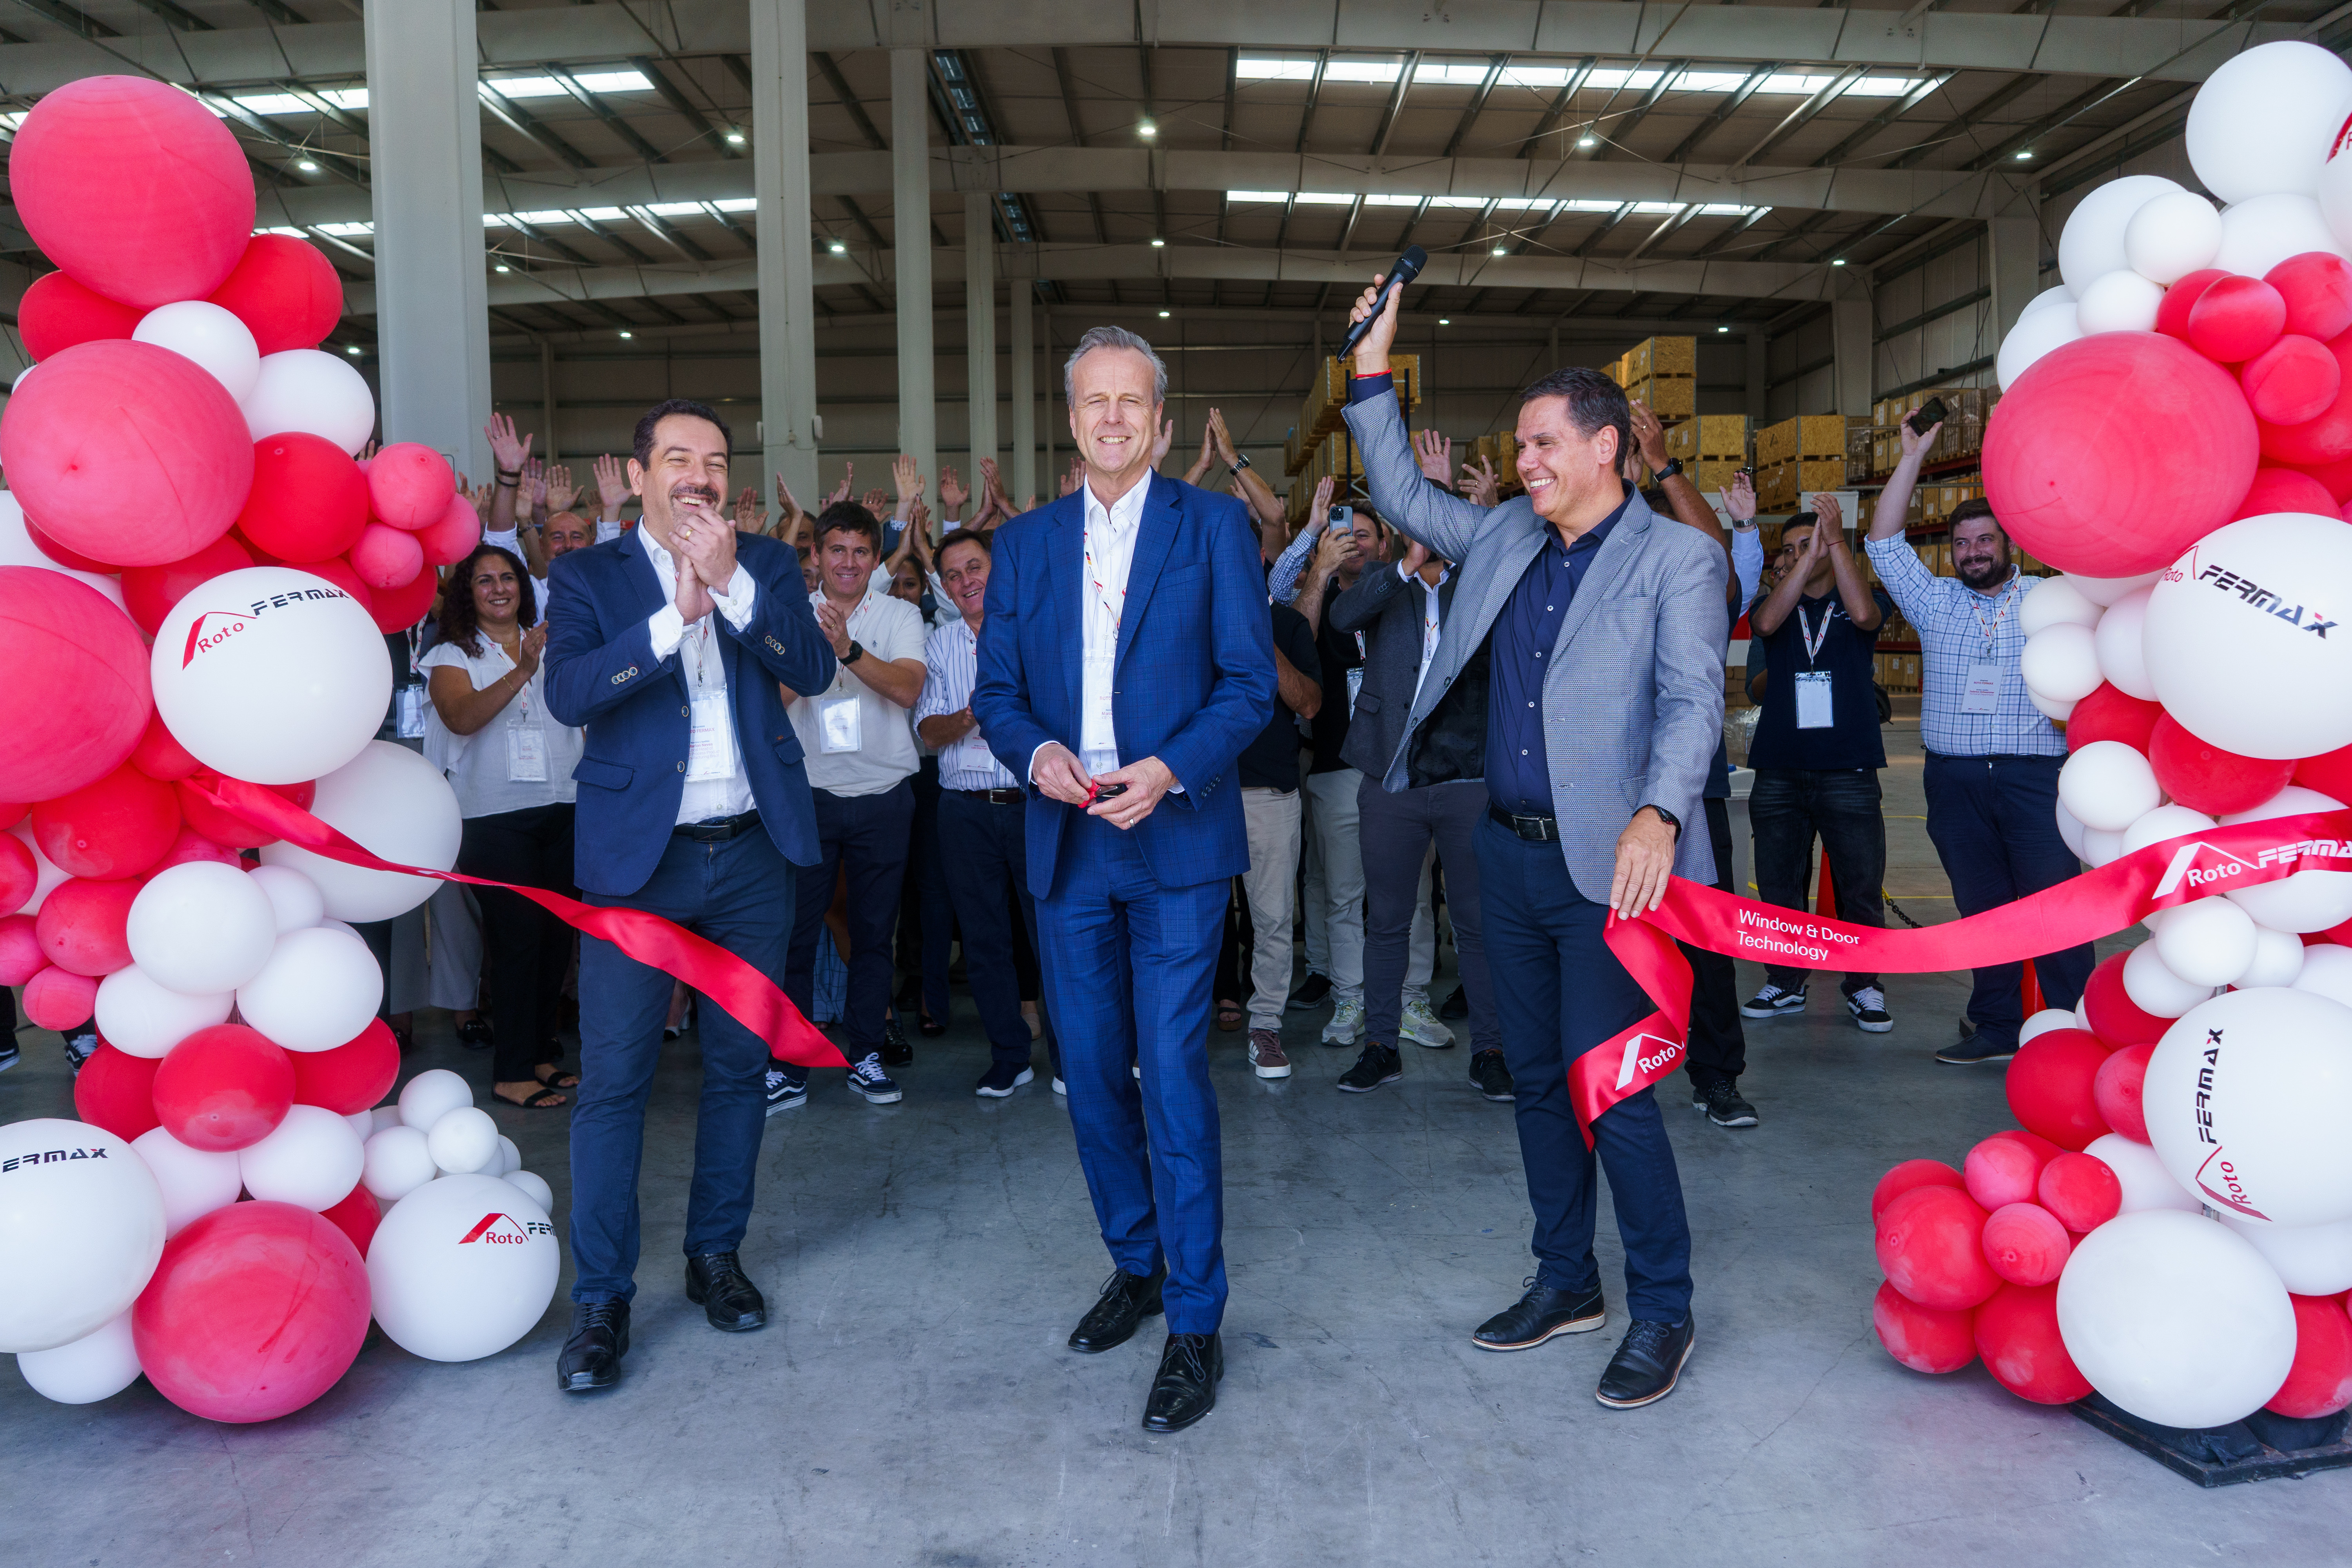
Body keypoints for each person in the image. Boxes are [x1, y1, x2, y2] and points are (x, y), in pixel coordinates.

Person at [1345, 275, 1724, 1410]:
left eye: (1544, 442)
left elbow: (1693, 700)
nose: (1524, 462)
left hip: (1615, 869)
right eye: (1520, 445)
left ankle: (1664, 1307)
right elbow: (1400, 490)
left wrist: (1661, 810)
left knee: (1614, 1091)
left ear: (1606, 446)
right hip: (1506, 857)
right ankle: (1567, 1281)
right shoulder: (1508, 533)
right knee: (1538, 1085)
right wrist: (1370, 363)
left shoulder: (1677, 560)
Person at [971, 325, 1275, 1435]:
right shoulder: (1027, 545)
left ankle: (1195, 1316)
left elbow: (1247, 685)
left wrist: (1169, 768)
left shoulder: (1213, 525)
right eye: (1094, 400)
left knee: (1175, 1074)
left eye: (1130, 401)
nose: (1111, 417)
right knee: (1092, 1072)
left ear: (1158, 419)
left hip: (1174, 837)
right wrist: (1035, 753)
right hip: (1070, 836)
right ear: (1072, 419)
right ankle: (1137, 1263)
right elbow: (998, 692)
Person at [541, 396, 837, 1394]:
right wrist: (677, 617)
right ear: (638, 477)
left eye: (712, 460)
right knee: (614, 1081)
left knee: (739, 1068)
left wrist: (733, 586)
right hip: (639, 862)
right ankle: (602, 1298)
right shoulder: (588, 575)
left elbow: (815, 668)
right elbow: (570, 694)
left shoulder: (770, 565)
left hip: (752, 853)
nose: (698, 476)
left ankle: (716, 1253)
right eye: (676, 457)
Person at [1867, 412, 2092, 1064]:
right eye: (1962, 544)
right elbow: (1883, 544)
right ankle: (1996, 1026)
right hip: (1955, 780)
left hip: (2036, 778)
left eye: (1984, 540)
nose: (1973, 553)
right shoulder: (1935, 603)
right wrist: (1912, 458)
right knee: (1983, 909)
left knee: (2054, 908)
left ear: (2008, 543)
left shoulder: (2051, 601)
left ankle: (2075, 1029)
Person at [1324, 511, 1510, 1100]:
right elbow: (1341, 618)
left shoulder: (1480, 582)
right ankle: (1381, 1046)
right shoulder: (1384, 581)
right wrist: (1405, 566)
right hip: (1390, 773)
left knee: (1477, 923)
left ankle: (1491, 1052)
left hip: (1467, 773)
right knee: (1386, 921)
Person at [773, 501, 929, 1108]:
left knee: (873, 935)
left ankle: (864, 1053)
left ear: (875, 558)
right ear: (816, 555)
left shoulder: (899, 614)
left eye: (861, 551)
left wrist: (847, 649)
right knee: (795, 935)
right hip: (808, 798)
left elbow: (908, 689)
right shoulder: (791, 615)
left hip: (884, 798)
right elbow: (771, 700)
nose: (848, 562)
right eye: (836, 549)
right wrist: (814, 651)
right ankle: (789, 1063)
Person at [422, 544, 585, 1109]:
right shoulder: (451, 654)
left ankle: (539, 1053)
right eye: (485, 580)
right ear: (467, 594)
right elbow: (461, 717)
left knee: (554, 941)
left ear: (523, 586)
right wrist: (522, 672)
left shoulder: (551, 643)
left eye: (508, 578)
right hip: (494, 817)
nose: (499, 589)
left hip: (565, 805)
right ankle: (511, 1072)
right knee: (517, 941)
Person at [1735, 496, 1896, 1035]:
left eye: (1808, 545)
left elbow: (1865, 615)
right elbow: (1764, 623)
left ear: (1833, 546)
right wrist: (1805, 561)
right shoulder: (1779, 604)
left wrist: (1835, 543)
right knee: (1780, 885)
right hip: (1780, 768)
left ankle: (1864, 983)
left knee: (1860, 885)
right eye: (1787, 549)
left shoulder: (1860, 600)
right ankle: (1785, 979)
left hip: (1849, 768)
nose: (1795, 555)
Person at [916, 528, 1060, 1096]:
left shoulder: (1037, 631)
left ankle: (1072, 1059)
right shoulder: (939, 645)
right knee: (983, 938)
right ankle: (1010, 1056)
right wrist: (976, 711)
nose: (966, 581)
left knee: (1052, 933)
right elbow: (930, 733)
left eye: (974, 567)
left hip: (1035, 803)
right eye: (952, 575)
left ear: (997, 570)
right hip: (965, 811)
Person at [1232, 598, 1323, 1079]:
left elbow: (1309, 703)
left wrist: (1254, 632)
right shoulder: (1185, 610)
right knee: (1182, 920)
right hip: (1193, 791)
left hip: (1268, 791)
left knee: (1272, 919)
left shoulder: (1287, 624)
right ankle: (1170, 1034)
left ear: (1260, 562)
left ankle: (1265, 1025)